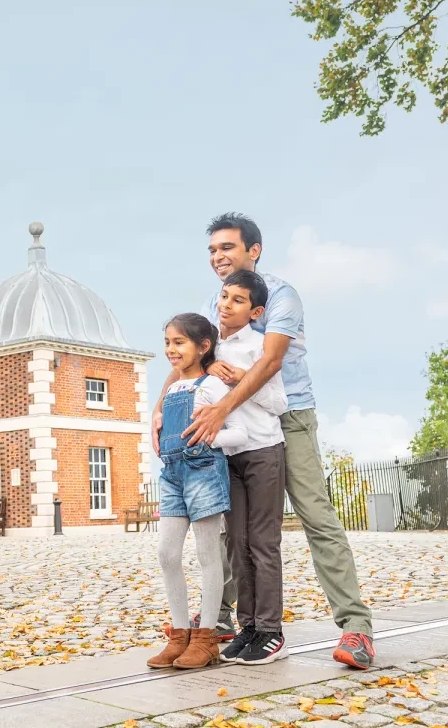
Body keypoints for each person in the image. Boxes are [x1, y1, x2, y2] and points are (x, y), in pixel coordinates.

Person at [152, 213, 376, 670]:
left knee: (314, 515)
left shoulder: (280, 295)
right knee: (229, 523)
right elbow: (187, 362)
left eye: (228, 248)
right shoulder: (212, 302)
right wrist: (159, 409)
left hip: (286, 417)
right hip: (231, 430)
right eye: (213, 250)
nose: (219, 257)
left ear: (254, 250)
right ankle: (221, 622)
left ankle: (356, 626)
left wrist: (220, 407)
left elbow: (271, 361)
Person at [148, 314, 248, 670]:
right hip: (173, 476)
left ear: (203, 347)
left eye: (179, 343)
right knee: (166, 553)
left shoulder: (213, 387)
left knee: (208, 556)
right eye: (168, 343)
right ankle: (178, 635)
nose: (171, 350)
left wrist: (208, 438)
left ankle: (206, 638)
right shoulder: (173, 388)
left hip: (204, 472)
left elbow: (240, 433)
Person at [209, 270, 289, 665]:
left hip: (262, 451)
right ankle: (248, 628)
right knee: (236, 544)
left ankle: (271, 630)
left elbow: (279, 405)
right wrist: (211, 371)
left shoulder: (260, 347)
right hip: (228, 455)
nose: (227, 304)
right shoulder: (212, 350)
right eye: (225, 296)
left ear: (255, 311)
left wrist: (244, 381)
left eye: (238, 300)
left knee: (262, 543)